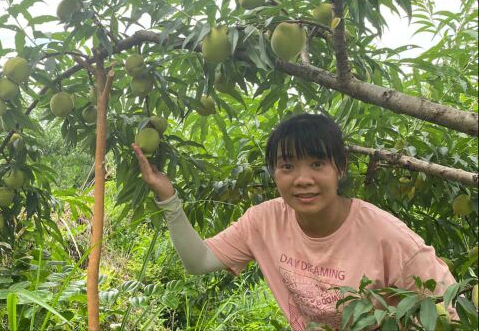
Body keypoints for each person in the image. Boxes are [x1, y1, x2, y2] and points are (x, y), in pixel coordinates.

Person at [132, 113, 457, 330]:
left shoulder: (387, 235)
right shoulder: (265, 221)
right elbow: (198, 261)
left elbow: (450, 307)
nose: (302, 179)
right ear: (273, 172)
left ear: (340, 168)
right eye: (287, 166)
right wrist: (167, 197)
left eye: (317, 164)